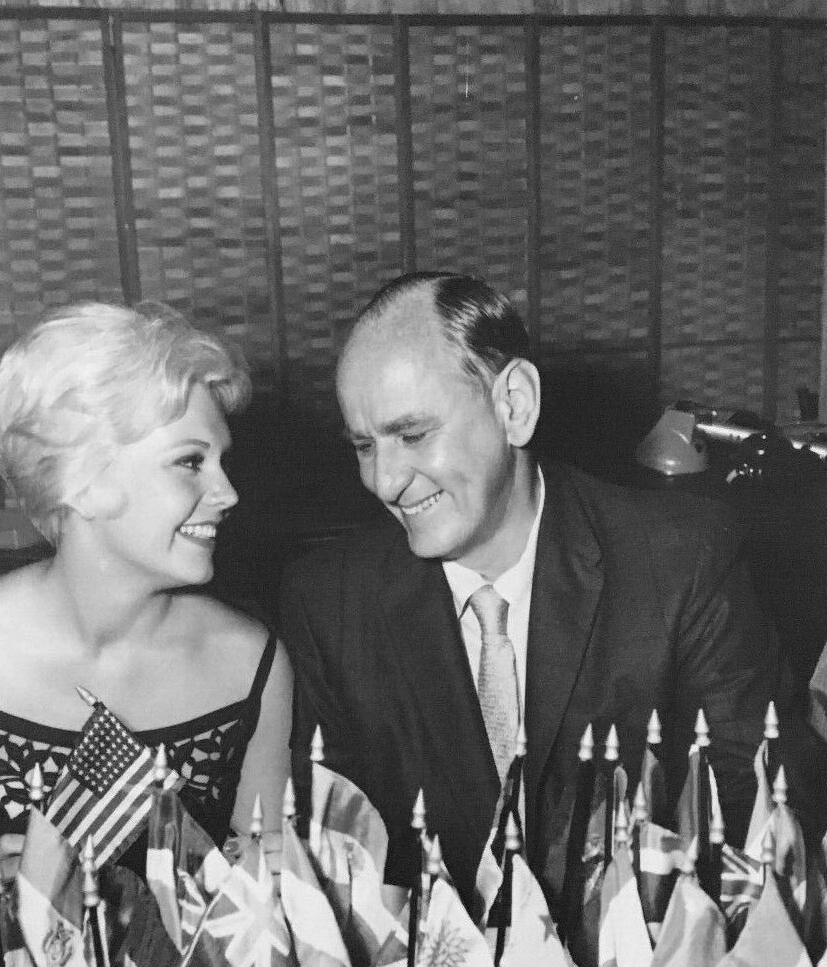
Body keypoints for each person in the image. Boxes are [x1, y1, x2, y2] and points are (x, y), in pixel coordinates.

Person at [279, 271, 786, 920]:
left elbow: (758, 805)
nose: (385, 481)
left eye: (412, 435)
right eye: (363, 446)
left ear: (514, 405)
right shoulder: (328, 602)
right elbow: (342, 857)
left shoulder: (681, 559)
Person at [0, 301, 292, 891]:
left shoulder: (252, 664)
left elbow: (279, 903)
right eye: (191, 462)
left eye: (222, 461)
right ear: (81, 483)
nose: (228, 492)